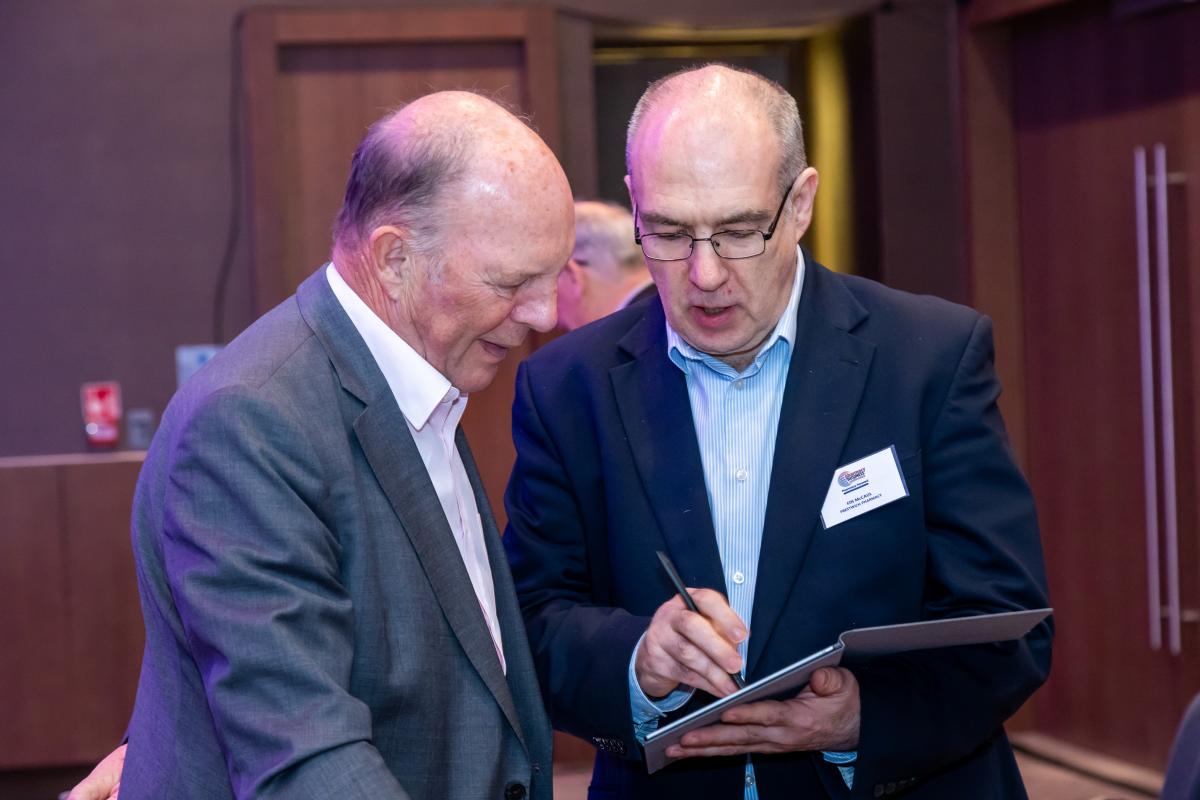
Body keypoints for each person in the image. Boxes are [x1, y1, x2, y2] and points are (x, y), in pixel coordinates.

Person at [502, 63, 1052, 799]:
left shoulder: (928, 358)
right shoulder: (567, 386)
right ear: (635, 207)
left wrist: (866, 717)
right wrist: (637, 661)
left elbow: (1008, 624)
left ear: (800, 204)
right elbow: (529, 621)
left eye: (737, 232)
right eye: (669, 233)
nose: (703, 274)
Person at [69, 91, 573, 800]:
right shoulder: (249, 422)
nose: (545, 315)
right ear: (394, 259)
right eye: (511, 282)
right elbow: (306, 758)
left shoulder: (421, 376)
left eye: (555, 278)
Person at [556, 200, 654, 331]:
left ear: (572, 276)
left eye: (550, 279)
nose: (552, 320)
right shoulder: (668, 308)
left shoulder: (634, 332)